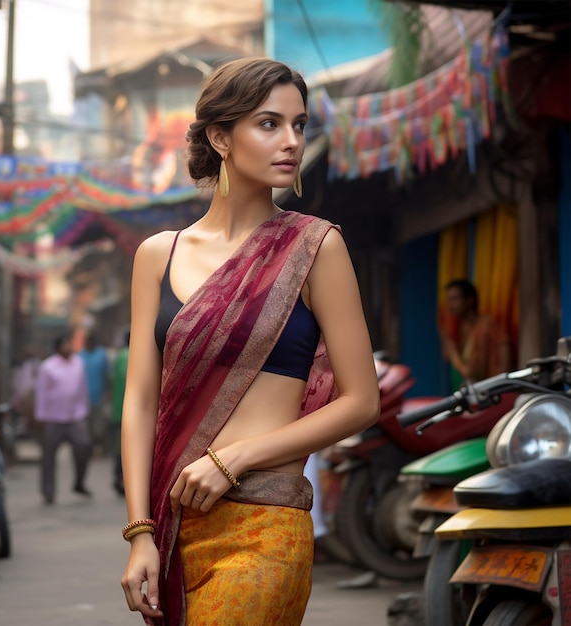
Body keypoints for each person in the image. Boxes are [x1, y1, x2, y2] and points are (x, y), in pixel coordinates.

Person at [120, 57, 380, 626]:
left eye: (299, 124)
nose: (291, 141)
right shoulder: (156, 256)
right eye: (269, 124)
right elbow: (141, 400)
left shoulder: (315, 247)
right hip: (174, 524)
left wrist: (232, 458)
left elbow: (362, 401)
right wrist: (140, 533)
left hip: (264, 524)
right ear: (220, 137)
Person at [35, 334, 92, 505]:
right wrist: (41, 416)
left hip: (75, 416)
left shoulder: (78, 363)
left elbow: (82, 388)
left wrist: (84, 409)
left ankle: (79, 482)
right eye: (65, 344)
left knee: (84, 446)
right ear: (58, 347)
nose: (68, 348)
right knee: (48, 455)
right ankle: (48, 491)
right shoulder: (48, 367)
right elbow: (42, 392)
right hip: (54, 417)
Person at [442, 279, 511, 391]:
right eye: (449, 300)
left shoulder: (485, 327)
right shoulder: (459, 328)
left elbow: (472, 373)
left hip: (489, 394)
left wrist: (454, 354)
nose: (450, 305)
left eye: (455, 299)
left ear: (469, 300)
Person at [79, 332, 109, 455]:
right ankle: (88, 449)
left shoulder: (101, 355)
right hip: (83, 398)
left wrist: (107, 393)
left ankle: (100, 448)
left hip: (99, 396)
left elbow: (106, 375)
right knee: (87, 426)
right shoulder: (80, 356)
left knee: (99, 426)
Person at [110, 329, 130, 496]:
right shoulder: (127, 356)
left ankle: (118, 477)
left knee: (120, 447)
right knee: (124, 448)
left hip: (119, 409)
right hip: (125, 411)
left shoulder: (120, 355)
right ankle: (120, 478)